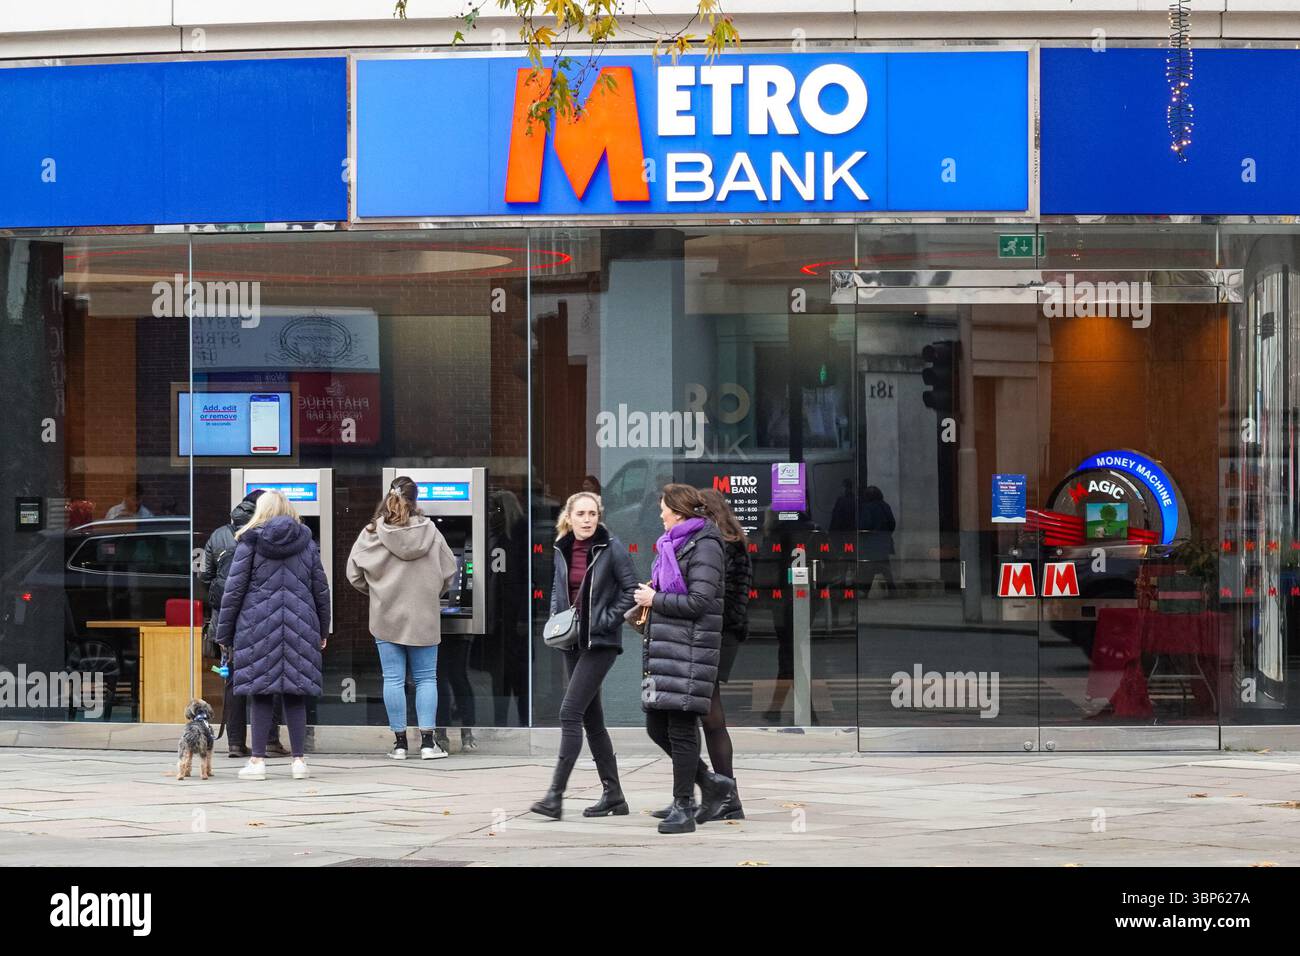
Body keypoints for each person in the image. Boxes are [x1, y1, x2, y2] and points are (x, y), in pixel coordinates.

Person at [633, 483, 735, 834]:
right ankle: (711, 783)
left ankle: (685, 806)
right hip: (666, 649)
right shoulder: (673, 544)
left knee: (680, 727)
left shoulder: (705, 545)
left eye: (662, 507)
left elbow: (699, 601)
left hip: (690, 651)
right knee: (656, 726)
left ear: (677, 511)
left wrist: (654, 600)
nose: (659, 513)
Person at [530, 491, 638, 820]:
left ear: (599, 516)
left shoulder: (612, 547)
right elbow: (557, 588)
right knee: (592, 720)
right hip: (572, 641)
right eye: (581, 514)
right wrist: (554, 617)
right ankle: (615, 795)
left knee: (569, 712)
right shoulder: (562, 548)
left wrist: (605, 621)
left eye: (593, 513)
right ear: (570, 516)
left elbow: (632, 591)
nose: (588, 519)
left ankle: (555, 796)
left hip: (600, 643)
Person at [215, 490, 329, 781]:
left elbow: (234, 591)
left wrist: (224, 632)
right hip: (301, 624)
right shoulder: (307, 543)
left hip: (257, 626)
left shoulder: (248, 542)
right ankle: (299, 761)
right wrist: (323, 628)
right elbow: (321, 589)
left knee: (261, 693)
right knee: (295, 694)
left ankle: (257, 762)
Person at [347, 475, 459, 760]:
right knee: (425, 679)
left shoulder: (372, 532)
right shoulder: (431, 531)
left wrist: (378, 591)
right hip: (424, 615)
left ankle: (398, 745)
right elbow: (449, 571)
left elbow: (353, 573)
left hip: (385, 615)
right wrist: (431, 591)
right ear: (416, 499)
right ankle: (427, 743)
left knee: (393, 679)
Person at [201, 489, 287, 758]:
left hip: (226, 621)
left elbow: (205, 577)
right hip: (262, 619)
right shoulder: (266, 533)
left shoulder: (219, 534)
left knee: (234, 681)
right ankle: (270, 740)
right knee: (269, 678)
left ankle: (236, 743)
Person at [859, 485, 897, 594]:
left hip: (871, 542)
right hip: (885, 541)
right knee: (885, 566)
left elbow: (865, 525)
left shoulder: (868, 507)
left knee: (869, 567)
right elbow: (892, 523)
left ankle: (865, 590)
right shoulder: (885, 506)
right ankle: (891, 588)